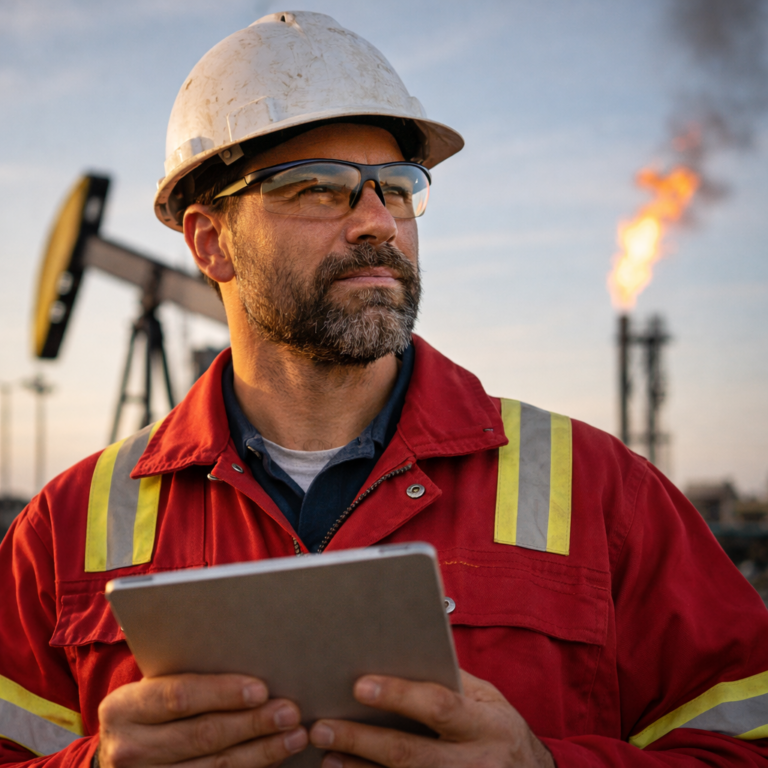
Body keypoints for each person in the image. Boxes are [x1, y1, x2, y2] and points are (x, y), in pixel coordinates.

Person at [1, 11, 767, 768]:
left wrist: (543, 766)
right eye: (318, 189)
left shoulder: (602, 496)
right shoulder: (64, 531)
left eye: (396, 189)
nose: (378, 223)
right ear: (210, 242)